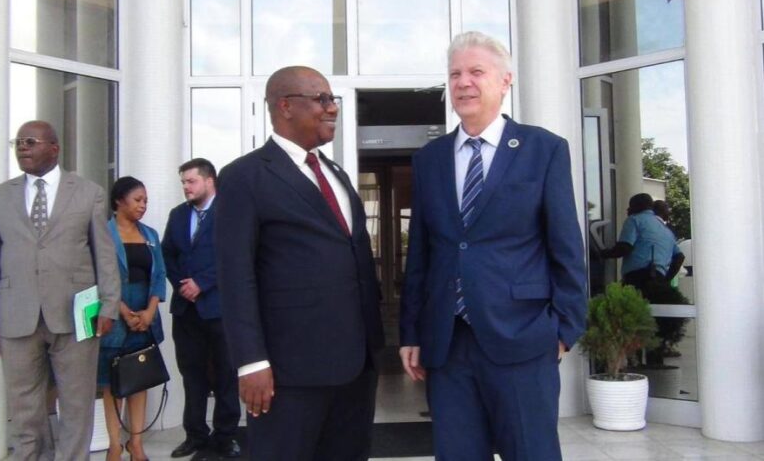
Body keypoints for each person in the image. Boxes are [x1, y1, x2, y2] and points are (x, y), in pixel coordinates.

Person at [399, 31, 587, 460]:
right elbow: (421, 254)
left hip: (523, 337)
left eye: (476, 72)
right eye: (454, 74)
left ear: (505, 81)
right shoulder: (429, 159)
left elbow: (565, 246)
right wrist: (411, 331)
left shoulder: (543, 149)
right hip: (448, 344)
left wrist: (564, 330)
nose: (463, 82)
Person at [215, 65, 384, 461]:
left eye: (332, 99)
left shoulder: (336, 173)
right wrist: (250, 361)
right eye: (321, 99)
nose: (332, 108)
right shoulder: (244, 176)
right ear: (285, 106)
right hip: (288, 373)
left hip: (356, 366)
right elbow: (235, 276)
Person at [0, 120, 120, 461]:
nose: (22, 147)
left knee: (76, 404)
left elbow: (104, 255)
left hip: (76, 316)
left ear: (54, 148)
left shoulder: (88, 192)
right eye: (18, 142)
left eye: (30, 141)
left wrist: (109, 306)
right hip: (16, 315)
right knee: (24, 407)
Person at [162, 159, 241, 458]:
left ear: (209, 181)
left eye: (191, 181)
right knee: (191, 375)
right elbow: (167, 254)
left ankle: (225, 436)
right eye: (183, 182)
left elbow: (235, 257)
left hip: (220, 309)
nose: (186, 187)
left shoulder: (231, 212)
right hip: (186, 311)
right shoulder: (178, 215)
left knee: (225, 375)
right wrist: (182, 285)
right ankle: (195, 435)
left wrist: (202, 283)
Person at [98, 176, 166, 461]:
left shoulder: (150, 234)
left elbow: (159, 274)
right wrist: (123, 311)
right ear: (119, 201)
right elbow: (98, 277)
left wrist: (149, 311)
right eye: (137, 200)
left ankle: (136, 443)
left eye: (146, 201)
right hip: (114, 313)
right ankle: (115, 444)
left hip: (145, 313)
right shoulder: (103, 233)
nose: (143, 205)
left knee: (140, 376)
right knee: (113, 382)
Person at [601, 193, 685, 290]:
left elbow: (624, 248)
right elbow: (679, 257)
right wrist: (665, 281)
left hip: (638, 278)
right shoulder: (667, 231)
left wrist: (603, 253)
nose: (628, 210)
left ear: (637, 206)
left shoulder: (634, 220)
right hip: (659, 279)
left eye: (630, 206)